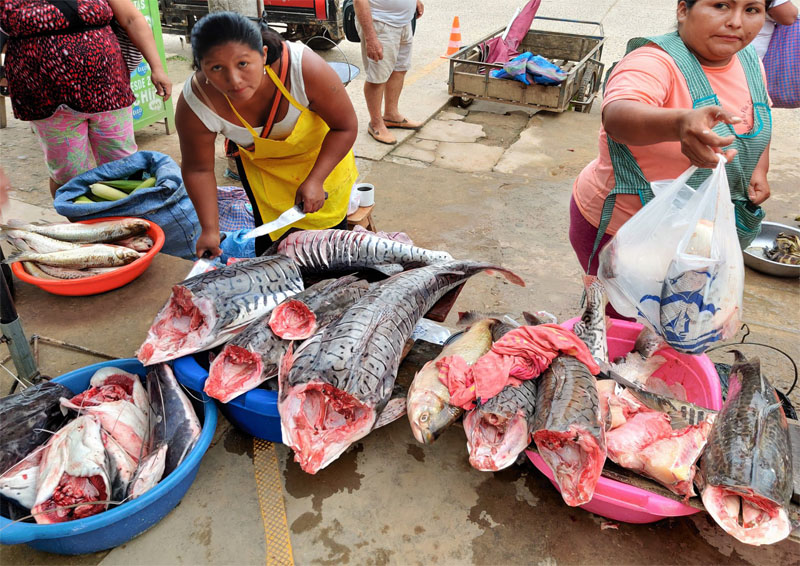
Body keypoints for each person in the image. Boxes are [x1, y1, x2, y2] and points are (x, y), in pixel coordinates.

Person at [570, 0, 774, 276]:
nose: (736, 22)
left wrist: (759, 169)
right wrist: (680, 123)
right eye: (721, 5)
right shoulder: (652, 62)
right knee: (623, 316)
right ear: (682, 10)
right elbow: (618, 116)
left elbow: (757, 117)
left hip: (695, 233)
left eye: (752, 10)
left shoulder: (749, 61)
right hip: (627, 231)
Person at [175, 12, 358, 259]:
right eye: (216, 68)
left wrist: (316, 180)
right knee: (271, 256)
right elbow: (198, 170)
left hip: (324, 165)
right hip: (266, 181)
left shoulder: (302, 68)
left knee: (327, 256)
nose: (234, 80)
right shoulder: (196, 103)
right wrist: (210, 229)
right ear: (201, 67)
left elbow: (345, 127)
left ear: (262, 54)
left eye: (243, 64)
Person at [0, 0, 172, 198]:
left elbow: (132, 19)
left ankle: (128, 223)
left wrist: (157, 67)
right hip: (46, 98)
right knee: (68, 176)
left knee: (124, 168)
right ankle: (82, 225)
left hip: (109, 92)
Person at [354, 0, 424, 145]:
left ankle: (391, 115)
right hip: (380, 24)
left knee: (400, 69)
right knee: (378, 77)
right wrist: (370, 37)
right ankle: (376, 124)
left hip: (404, 22)